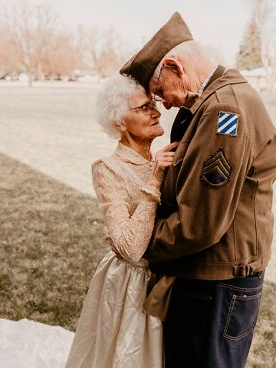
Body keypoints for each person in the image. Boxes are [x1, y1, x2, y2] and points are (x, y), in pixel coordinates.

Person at [119, 12, 276, 367]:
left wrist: (141, 242)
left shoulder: (225, 110)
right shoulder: (215, 102)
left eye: (159, 90)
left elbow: (199, 223)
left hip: (216, 283)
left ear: (175, 66)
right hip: (213, 278)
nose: (163, 104)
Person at [64, 74, 176, 368]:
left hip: (167, 282)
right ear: (120, 123)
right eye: (143, 108)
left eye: (153, 104)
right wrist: (153, 181)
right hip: (130, 286)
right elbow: (129, 247)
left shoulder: (164, 159)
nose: (156, 111)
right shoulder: (107, 169)